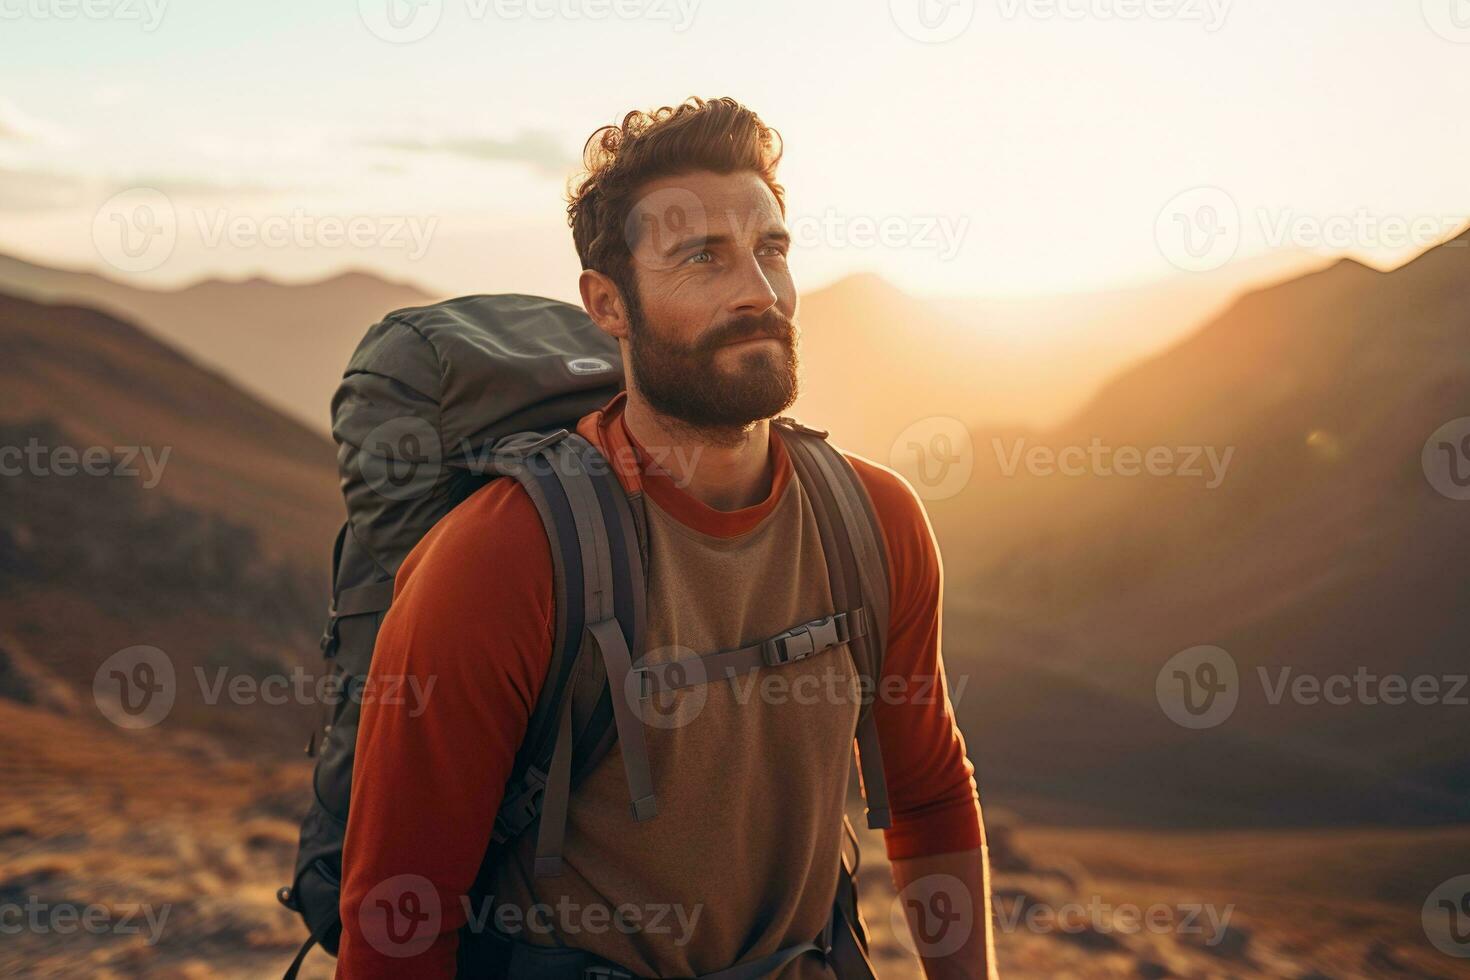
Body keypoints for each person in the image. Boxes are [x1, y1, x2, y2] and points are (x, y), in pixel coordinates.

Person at [337, 96, 997, 979]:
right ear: (608, 303)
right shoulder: (502, 560)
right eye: (703, 259)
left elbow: (928, 797)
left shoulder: (873, 521)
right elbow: (398, 918)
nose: (759, 294)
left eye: (772, 250)